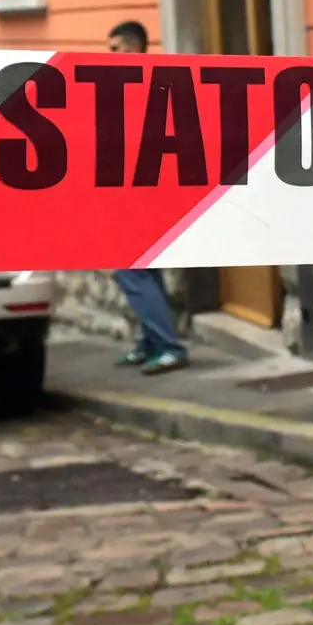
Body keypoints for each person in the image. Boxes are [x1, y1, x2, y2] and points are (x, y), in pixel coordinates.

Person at [107, 19, 189, 376]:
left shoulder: (147, 83)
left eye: (116, 49)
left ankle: (169, 346)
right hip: (131, 192)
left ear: (135, 47)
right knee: (144, 271)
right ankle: (151, 343)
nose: (110, 56)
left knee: (132, 271)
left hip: (146, 193)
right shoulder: (129, 84)